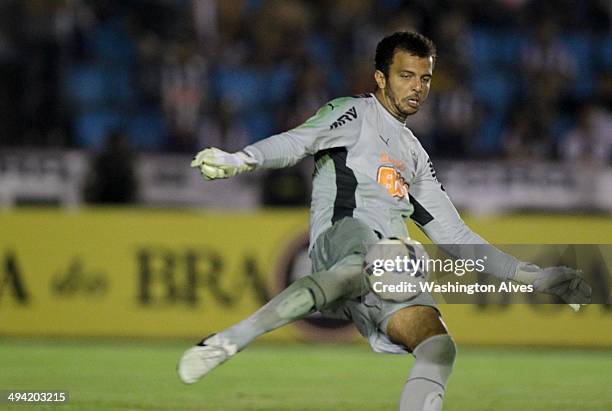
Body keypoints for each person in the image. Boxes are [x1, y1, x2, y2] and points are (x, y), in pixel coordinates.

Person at [179, 32, 591, 411]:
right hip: (343, 237)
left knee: (438, 348)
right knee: (372, 256)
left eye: (425, 78)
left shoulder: (414, 156)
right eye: (406, 76)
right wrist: (241, 159)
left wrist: (535, 278)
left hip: (391, 272)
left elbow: (456, 235)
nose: (418, 87)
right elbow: (298, 141)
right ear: (380, 77)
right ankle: (228, 341)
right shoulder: (354, 114)